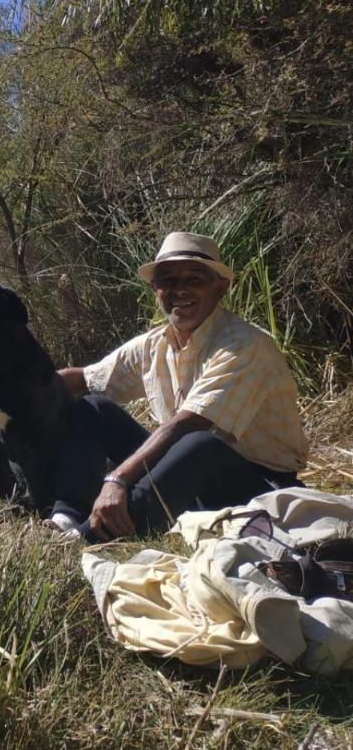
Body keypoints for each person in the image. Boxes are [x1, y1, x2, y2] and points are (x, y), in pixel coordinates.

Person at [48, 232, 308, 542]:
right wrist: (8, 394)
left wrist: (117, 479)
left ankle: (91, 535)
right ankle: (66, 515)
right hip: (185, 463)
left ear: (220, 287)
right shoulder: (154, 344)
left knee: (200, 444)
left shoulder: (245, 346)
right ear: (154, 289)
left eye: (194, 279)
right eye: (167, 281)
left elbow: (189, 424)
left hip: (259, 485)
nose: (179, 291)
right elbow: (84, 378)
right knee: (93, 408)